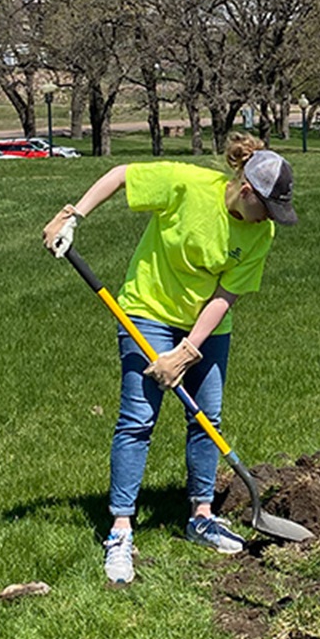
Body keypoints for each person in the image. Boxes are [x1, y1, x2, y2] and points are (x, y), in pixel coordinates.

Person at [43, 133, 297, 585]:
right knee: (138, 418)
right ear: (246, 191)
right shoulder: (186, 185)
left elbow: (225, 294)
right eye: (267, 208)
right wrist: (72, 216)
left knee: (207, 418)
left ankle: (200, 515)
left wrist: (187, 351)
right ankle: (120, 529)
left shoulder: (263, 230)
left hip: (205, 325)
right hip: (148, 313)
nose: (269, 220)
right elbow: (122, 175)